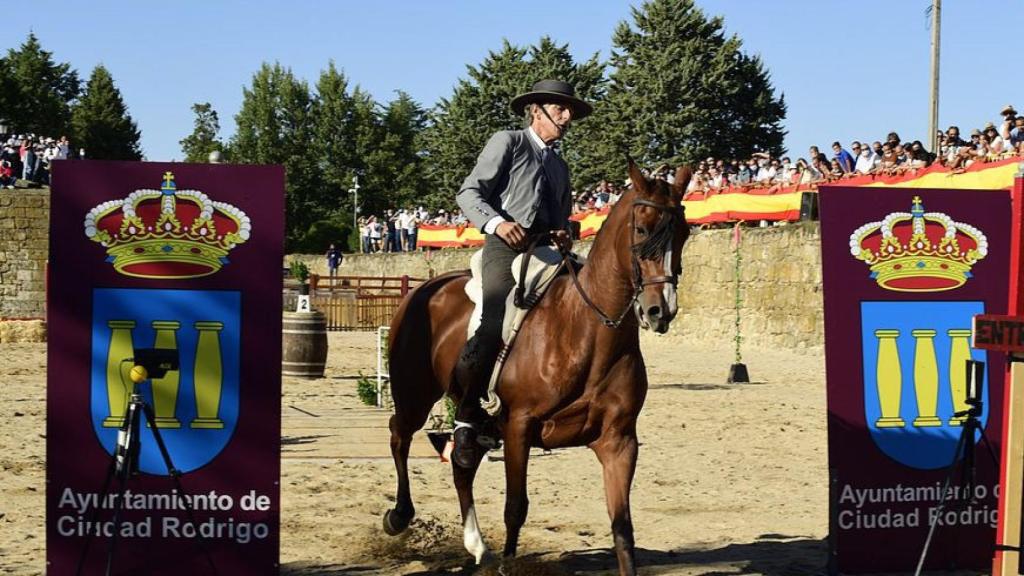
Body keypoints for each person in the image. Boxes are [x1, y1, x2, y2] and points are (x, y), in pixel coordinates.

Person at [451, 79, 591, 468]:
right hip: (505, 245)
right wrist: (496, 223)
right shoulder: (509, 141)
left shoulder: (560, 165)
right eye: (560, 110)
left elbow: (562, 217)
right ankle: (465, 417)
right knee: (496, 314)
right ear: (537, 111)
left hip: (548, 250)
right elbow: (468, 193)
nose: (567, 117)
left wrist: (567, 230)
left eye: (570, 112)